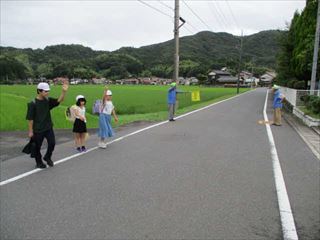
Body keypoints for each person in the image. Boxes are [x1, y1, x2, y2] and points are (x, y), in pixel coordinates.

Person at [26, 81, 68, 168]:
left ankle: (47, 157)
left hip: (48, 127)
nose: (47, 92)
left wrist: (64, 92)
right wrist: (30, 131)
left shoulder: (48, 100)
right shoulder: (32, 103)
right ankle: (39, 162)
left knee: (52, 143)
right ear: (39, 91)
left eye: (48, 91)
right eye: (45, 91)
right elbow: (30, 119)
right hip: (38, 129)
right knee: (37, 147)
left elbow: (59, 100)